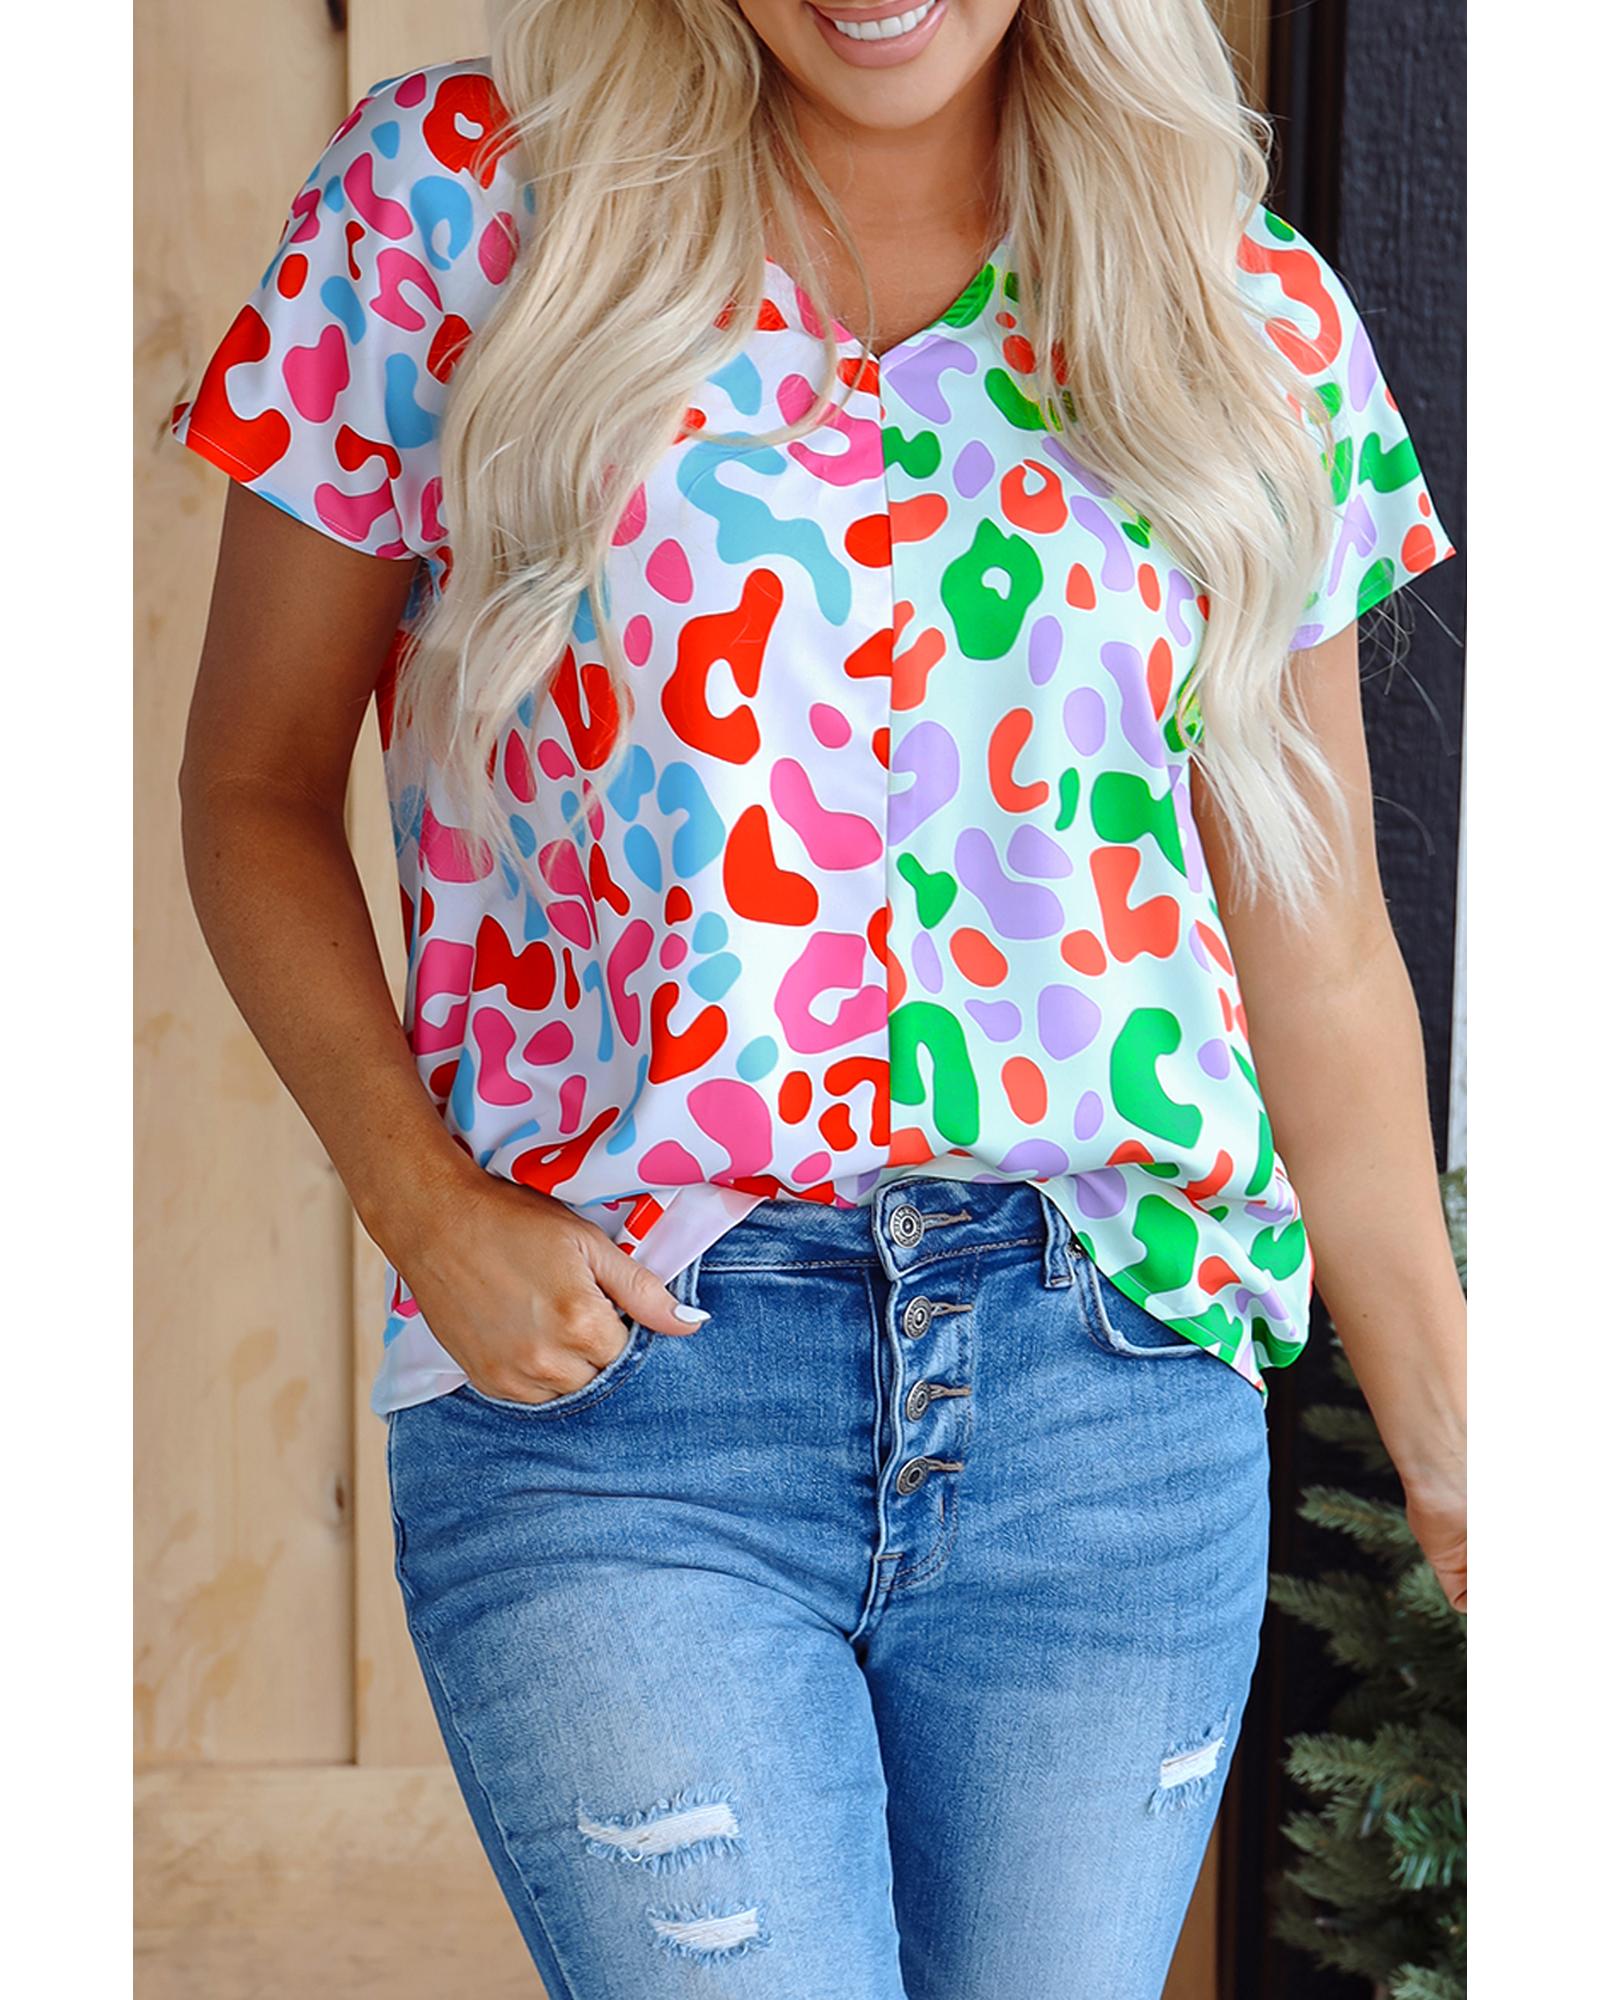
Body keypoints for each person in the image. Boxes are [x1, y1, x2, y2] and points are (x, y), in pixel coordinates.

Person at [170, 3, 1466, 1993]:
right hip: (631, 1398)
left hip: (1108, 1408)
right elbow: (251, 791)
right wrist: (423, 1203)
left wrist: (1460, 1460)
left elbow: (1318, 934)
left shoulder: (1238, 308)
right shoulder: (452, 209)